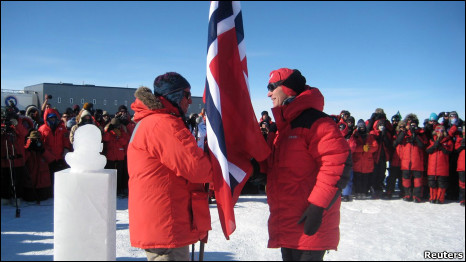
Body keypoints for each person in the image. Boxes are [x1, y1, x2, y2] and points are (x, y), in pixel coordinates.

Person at [264, 68, 351, 261]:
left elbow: (339, 165)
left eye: (271, 87)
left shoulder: (317, 122)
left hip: (310, 224)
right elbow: (273, 168)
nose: (268, 93)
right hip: (288, 223)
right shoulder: (282, 127)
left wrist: (318, 207)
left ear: (288, 89)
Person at [127, 72, 213, 261]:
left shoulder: (153, 121)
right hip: (166, 225)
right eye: (187, 95)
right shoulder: (162, 124)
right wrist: (218, 162)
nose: (190, 101)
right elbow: (197, 168)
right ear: (173, 96)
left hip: (164, 221)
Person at [37, 108, 71, 197]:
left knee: (59, 176)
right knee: (48, 176)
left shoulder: (62, 128)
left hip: (59, 156)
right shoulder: (42, 129)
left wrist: (66, 149)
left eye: (54, 117)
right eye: (50, 118)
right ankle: (49, 193)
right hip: (47, 157)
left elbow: (66, 140)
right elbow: (40, 142)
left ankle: (59, 192)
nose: (52, 119)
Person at [395, 114, 427, 203]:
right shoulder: (404, 132)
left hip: (417, 160)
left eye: (413, 124)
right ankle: (407, 194)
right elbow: (398, 141)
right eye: (409, 123)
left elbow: (422, 145)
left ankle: (417, 196)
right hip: (406, 160)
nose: (411, 125)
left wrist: (415, 134)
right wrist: (405, 131)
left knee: (418, 180)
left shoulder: (421, 132)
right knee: (406, 179)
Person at [349, 119, 378, 200]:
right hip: (357, 162)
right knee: (357, 178)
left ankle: (364, 192)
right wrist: (362, 148)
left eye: (363, 126)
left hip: (367, 162)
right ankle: (357, 192)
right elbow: (352, 147)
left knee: (366, 178)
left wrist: (367, 148)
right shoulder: (354, 136)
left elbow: (375, 146)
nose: (362, 128)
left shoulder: (370, 136)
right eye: (360, 127)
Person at [23, 131, 54, 202]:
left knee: (44, 198)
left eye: (37, 139)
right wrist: (28, 149)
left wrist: (42, 150)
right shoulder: (26, 148)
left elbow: (51, 159)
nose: (35, 141)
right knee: (29, 199)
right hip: (30, 181)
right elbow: (23, 160)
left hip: (42, 182)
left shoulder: (44, 146)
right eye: (33, 139)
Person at [426, 125, 453, 204]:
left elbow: (449, 151)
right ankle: (432, 198)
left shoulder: (448, 141)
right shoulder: (431, 140)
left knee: (442, 183)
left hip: (443, 167)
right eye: (437, 130)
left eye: (441, 131)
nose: (439, 133)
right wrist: (435, 145)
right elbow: (428, 150)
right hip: (432, 167)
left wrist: (440, 146)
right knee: (432, 183)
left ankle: (440, 198)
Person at [103, 118, 129, 197]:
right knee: (110, 174)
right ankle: (111, 189)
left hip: (120, 156)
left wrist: (119, 136)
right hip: (111, 157)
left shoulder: (122, 132)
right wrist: (108, 131)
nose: (116, 127)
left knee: (120, 174)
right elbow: (105, 139)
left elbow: (125, 142)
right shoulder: (109, 132)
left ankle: (119, 189)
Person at [370, 119, 393, 199]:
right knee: (374, 174)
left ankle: (379, 188)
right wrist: (380, 135)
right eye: (380, 125)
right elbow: (373, 143)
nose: (381, 127)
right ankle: (373, 188)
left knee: (381, 173)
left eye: (383, 125)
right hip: (375, 157)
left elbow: (388, 144)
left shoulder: (386, 134)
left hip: (383, 157)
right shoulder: (373, 133)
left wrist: (384, 135)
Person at [455, 124, 465, 206]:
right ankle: (462, 199)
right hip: (462, 165)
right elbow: (456, 149)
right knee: (462, 184)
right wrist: (462, 145)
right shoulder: (460, 138)